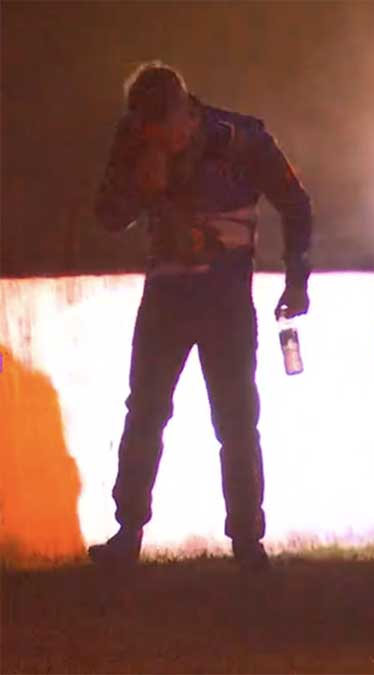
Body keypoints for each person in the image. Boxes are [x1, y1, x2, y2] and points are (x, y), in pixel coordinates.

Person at [87, 62, 313, 572]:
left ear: (185, 115)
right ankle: (127, 532)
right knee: (145, 410)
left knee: (236, 418)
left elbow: (296, 203)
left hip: (225, 298)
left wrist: (297, 278)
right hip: (166, 294)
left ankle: (248, 542)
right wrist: (138, 189)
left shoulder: (241, 139)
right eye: (145, 132)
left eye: (161, 132)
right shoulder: (134, 136)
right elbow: (106, 213)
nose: (156, 141)